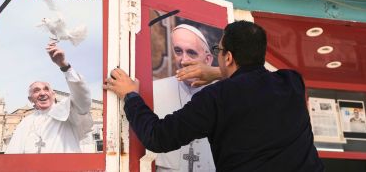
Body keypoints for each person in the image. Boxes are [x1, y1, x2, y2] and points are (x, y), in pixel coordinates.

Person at [105, 21, 324, 171]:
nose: (183, 59)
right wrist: (221, 73)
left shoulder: (216, 98)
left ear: (227, 57)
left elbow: (158, 137)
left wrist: (131, 95)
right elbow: (256, 78)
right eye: (178, 50)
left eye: (218, 51)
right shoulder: (292, 82)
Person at [6, 42, 93, 154]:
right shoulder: (25, 123)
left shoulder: (68, 111)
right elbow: (12, 154)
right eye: (36, 91)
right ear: (30, 99)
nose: (42, 93)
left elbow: (83, 98)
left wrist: (64, 66)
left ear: (53, 95)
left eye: (46, 89)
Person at [152, 24, 215, 171]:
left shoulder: (221, 94)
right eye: (178, 51)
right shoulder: (155, 90)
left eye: (191, 53)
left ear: (207, 60)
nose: (183, 60)